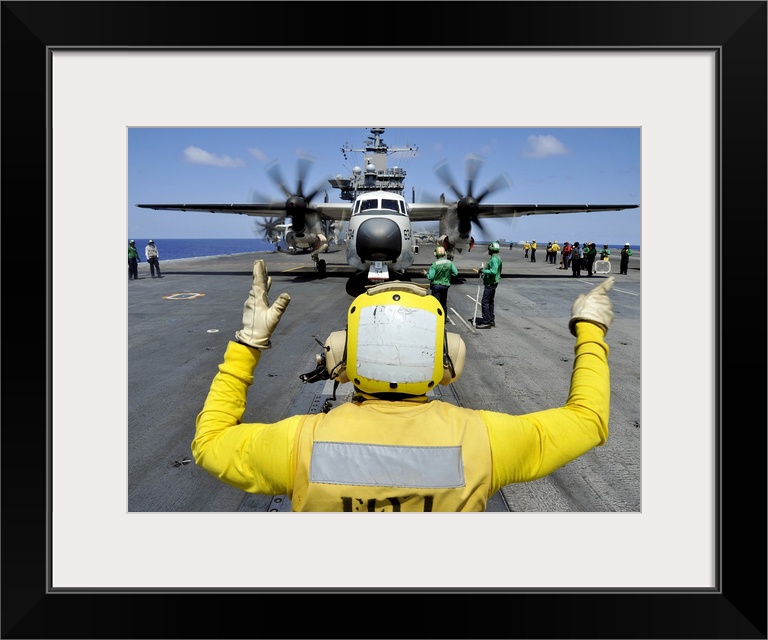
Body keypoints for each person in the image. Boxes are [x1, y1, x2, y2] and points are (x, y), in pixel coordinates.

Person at [191, 259, 615, 512]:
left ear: (340, 354)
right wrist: (591, 328)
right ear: (447, 358)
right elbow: (588, 420)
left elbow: (209, 443)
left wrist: (247, 344)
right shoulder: (486, 441)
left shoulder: (298, 443)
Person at [471, 241, 502, 328]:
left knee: (485, 302)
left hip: (490, 283)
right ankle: (491, 319)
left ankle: (486, 321)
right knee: (490, 302)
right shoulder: (497, 258)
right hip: (494, 282)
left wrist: (483, 271)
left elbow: (493, 271)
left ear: (491, 250)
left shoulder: (494, 259)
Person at [426, 245, 458, 313]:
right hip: (445, 286)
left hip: (436, 286)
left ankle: (436, 318)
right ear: (444, 253)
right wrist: (448, 275)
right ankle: (444, 318)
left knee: (435, 303)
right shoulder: (450, 263)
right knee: (443, 303)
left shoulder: (434, 264)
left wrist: (425, 274)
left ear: (435, 254)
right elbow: (455, 273)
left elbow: (430, 277)